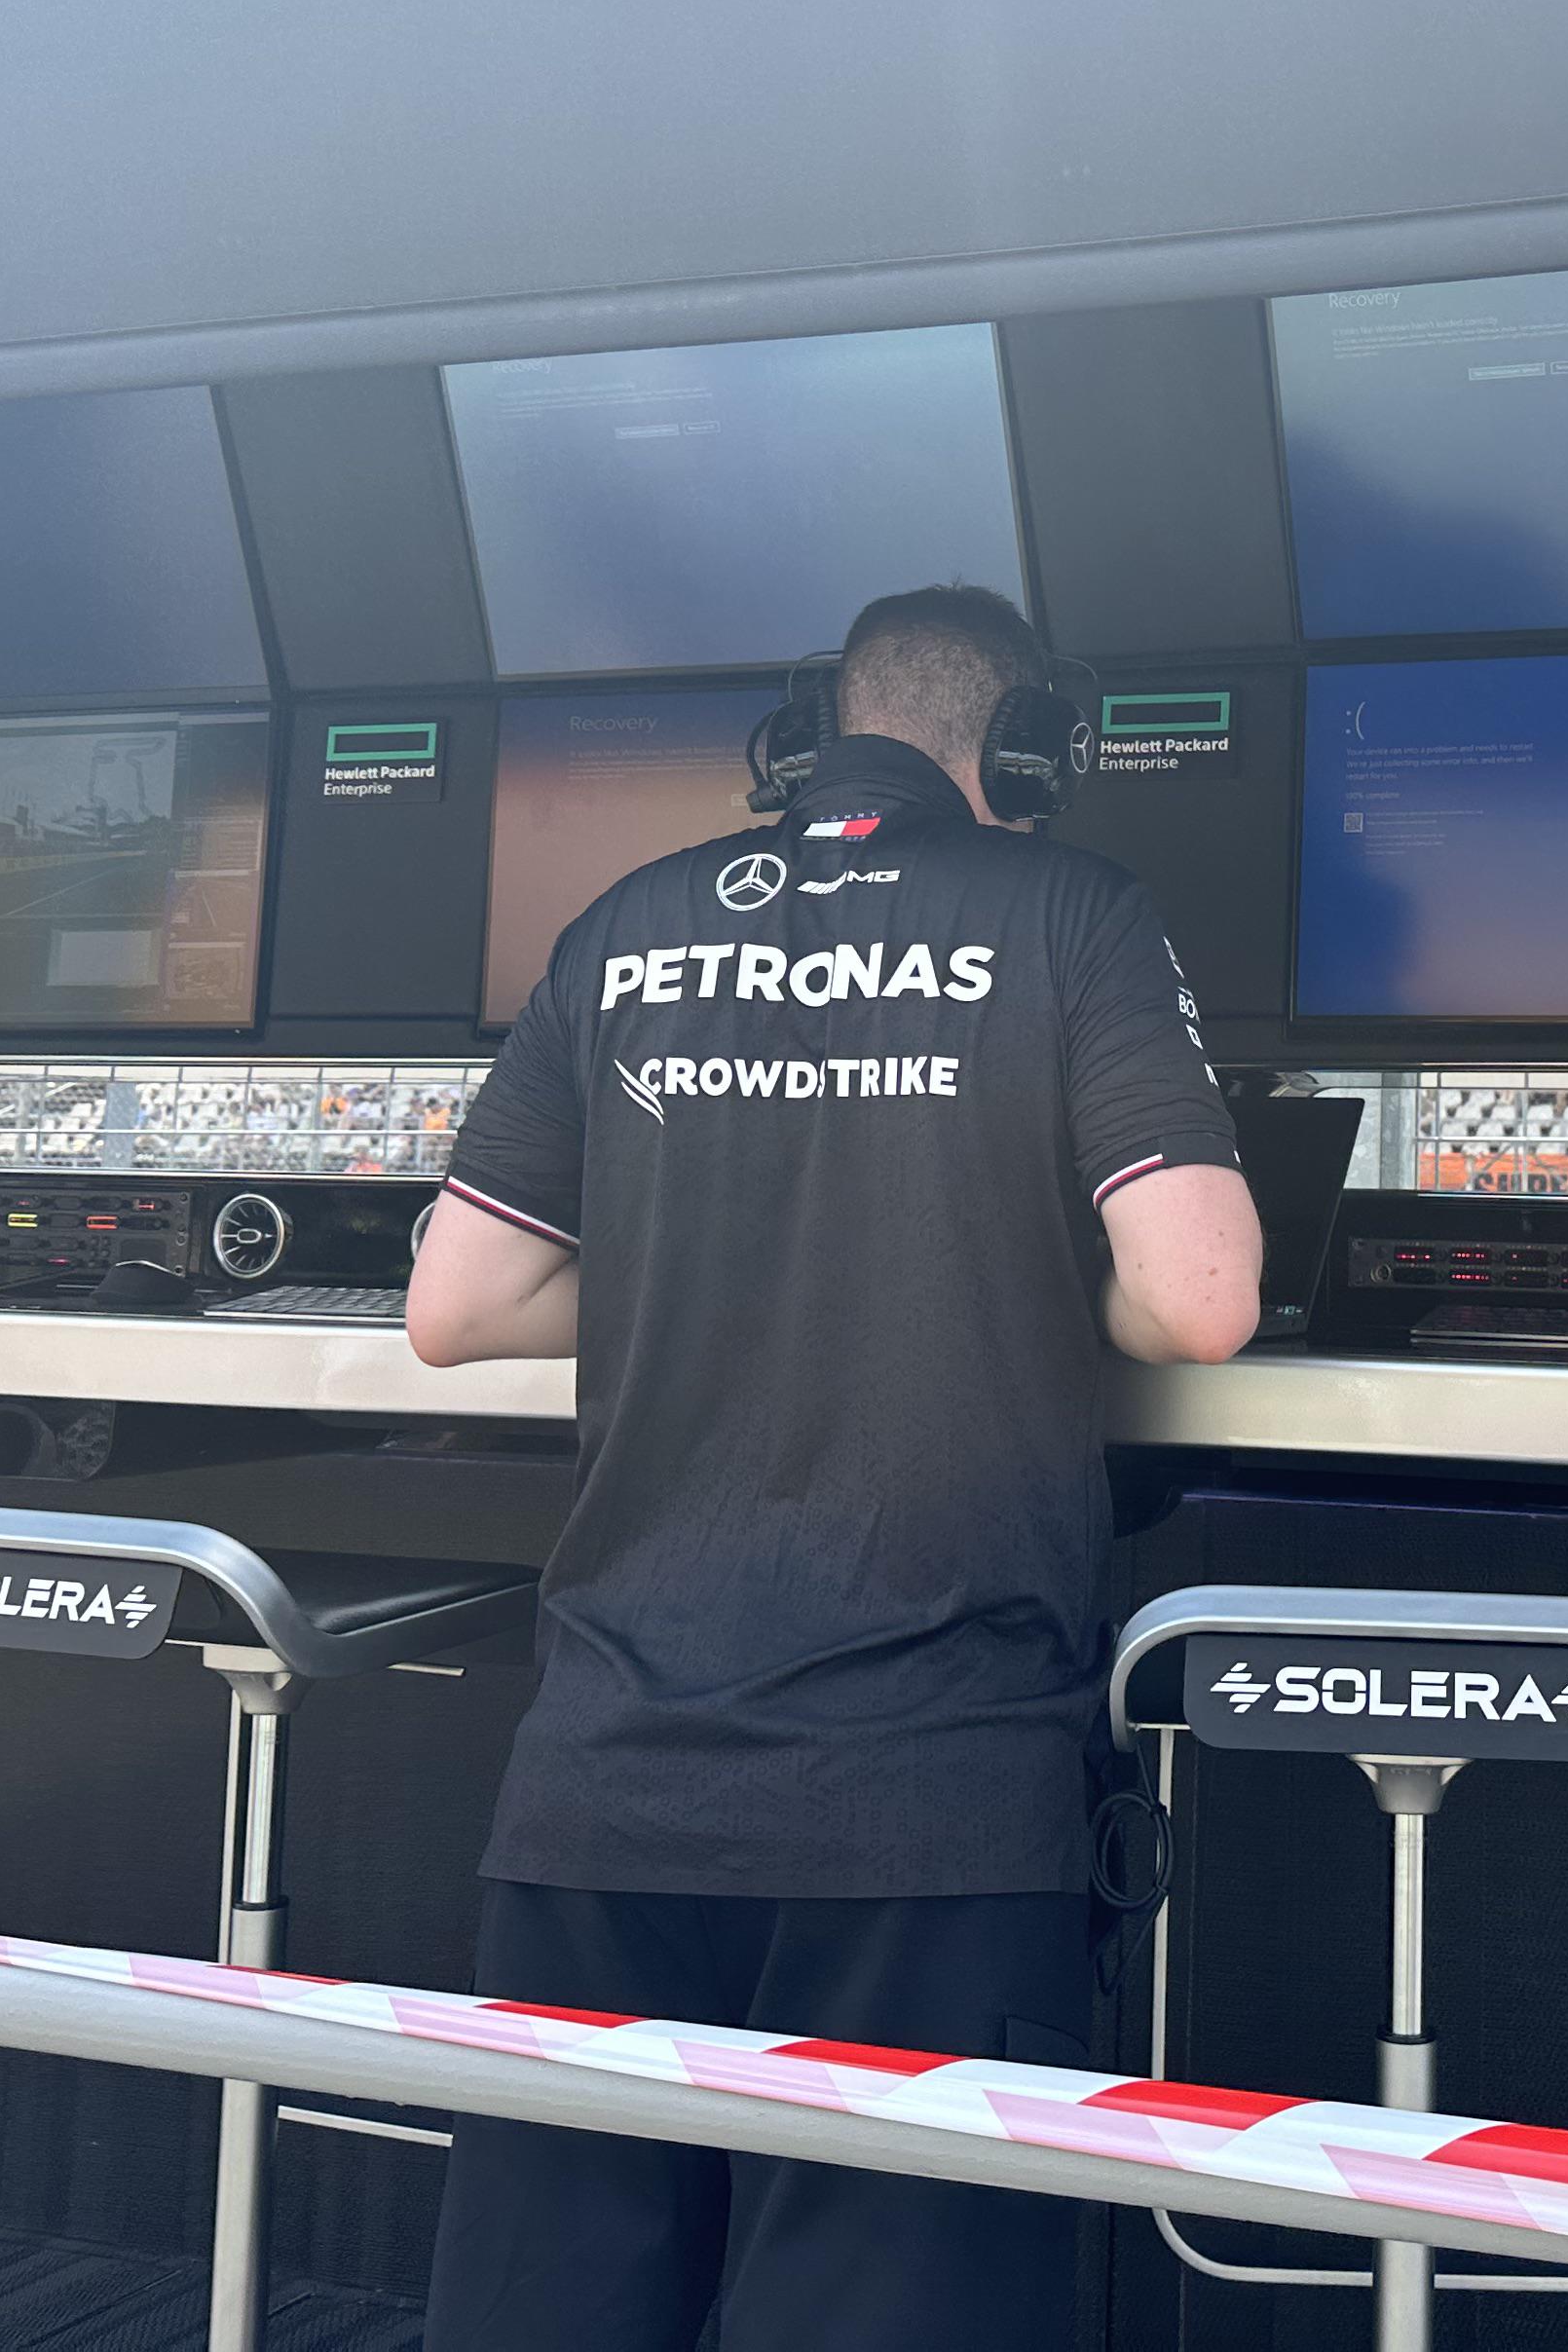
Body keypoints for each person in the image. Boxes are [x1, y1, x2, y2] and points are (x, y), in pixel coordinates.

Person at [406, 583, 1262, 2351]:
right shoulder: (1069, 913)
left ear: (805, 743)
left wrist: (695, 1260)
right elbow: (1199, 1302)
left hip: (602, 1784)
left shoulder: (627, 924)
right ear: (1031, 749)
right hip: (926, 1798)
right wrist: (988, 1259)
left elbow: (460, 1305)